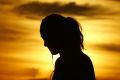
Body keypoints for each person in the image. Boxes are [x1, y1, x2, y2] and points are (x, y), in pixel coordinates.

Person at [40, 14, 96, 80]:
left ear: (58, 36)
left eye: (47, 38)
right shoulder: (84, 60)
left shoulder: (65, 63)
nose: (45, 44)